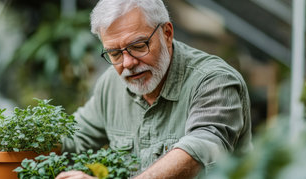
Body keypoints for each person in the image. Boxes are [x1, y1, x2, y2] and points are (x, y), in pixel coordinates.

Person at [56, 0, 252, 178]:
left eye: (139, 45)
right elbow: (72, 139)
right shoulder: (111, 84)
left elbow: (199, 151)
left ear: (167, 33)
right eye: (115, 53)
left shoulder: (214, 80)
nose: (128, 63)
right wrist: (28, 140)